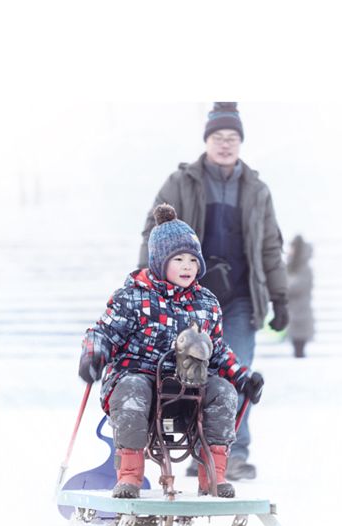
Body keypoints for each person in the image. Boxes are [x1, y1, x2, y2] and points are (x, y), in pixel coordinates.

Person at [138, 102, 288, 480]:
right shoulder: (180, 183)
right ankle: (195, 448)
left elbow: (270, 245)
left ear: (241, 142)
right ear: (206, 141)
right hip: (190, 300)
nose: (225, 144)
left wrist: (280, 296)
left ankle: (231, 454)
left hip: (240, 299)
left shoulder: (256, 190)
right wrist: (147, 281)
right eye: (218, 137)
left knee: (238, 373)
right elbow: (153, 234)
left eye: (232, 138)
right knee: (191, 373)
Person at [78, 204, 263, 499]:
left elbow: (216, 349)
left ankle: (213, 475)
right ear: (159, 261)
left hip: (190, 385)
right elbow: (103, 332)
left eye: (193, 260)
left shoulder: (206, 303)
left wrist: (241, 377)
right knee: (133, 390)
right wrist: (94, 354)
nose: (187, 266)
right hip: (140, 380)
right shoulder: (132, 298)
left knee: (223, 392)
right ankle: (129, 476)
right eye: (178, 259)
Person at [286, 235, 314, 357]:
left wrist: (286, 285)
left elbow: (297, 287)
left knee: (300, 348)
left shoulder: (305, 269)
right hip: (292, 312)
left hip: (301, 312)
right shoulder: (290, 266)